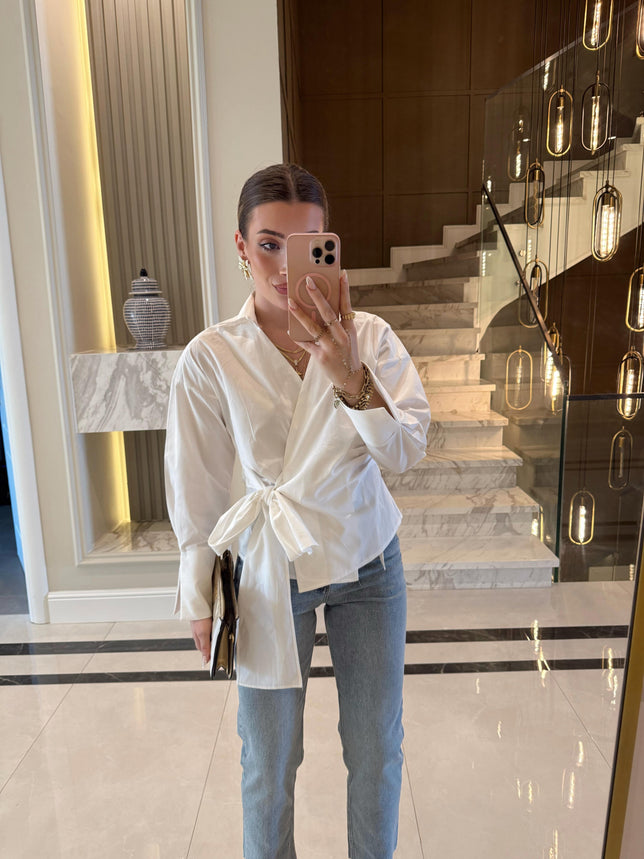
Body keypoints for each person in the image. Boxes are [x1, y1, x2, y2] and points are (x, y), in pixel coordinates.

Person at [165, 163, 431, 859]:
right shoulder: (211, 356)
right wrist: (199, 592)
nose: (286, 266)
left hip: (367, 559)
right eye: (269, 244)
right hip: (270, 567)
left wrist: (350, 377)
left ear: (329, 245)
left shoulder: (369, 337)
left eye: (308, 245)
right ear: (241, 246)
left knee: (376, 749)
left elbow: (406, 449)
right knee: (268, 759)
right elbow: (196, 483)